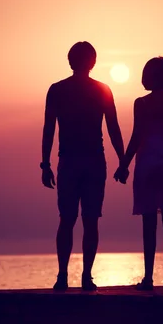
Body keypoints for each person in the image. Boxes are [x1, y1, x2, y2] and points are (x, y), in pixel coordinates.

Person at [41, 41, 125, 291]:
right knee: (88, 220)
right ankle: (82, 276)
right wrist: (122, 160)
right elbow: (113, 127)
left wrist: (45, 164)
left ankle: (65, 276)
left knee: (69, 219)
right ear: (93, 62)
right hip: (88, 161)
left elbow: (48, 129)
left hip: (73, 161)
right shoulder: (99, 89)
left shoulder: (58, 90)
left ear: (70, 61)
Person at [114, 57, 163, 290]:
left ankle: (148, 278)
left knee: (149, 225)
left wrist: (124, 164)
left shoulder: (141, 103)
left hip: (147, 165)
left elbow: (136, 136)